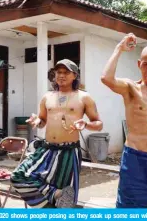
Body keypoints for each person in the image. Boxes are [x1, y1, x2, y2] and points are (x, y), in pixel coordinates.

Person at [11, 59, 103, 208]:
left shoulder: (84, 97)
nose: (61, 75)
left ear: (75, 75)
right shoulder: (47, 97)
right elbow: (42, 121)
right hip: (46, 150)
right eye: (58, 72)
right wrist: (37, 121)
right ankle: (54, 193)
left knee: (64, 201)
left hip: (68, 152)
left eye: (66, 72)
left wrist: (86, 124)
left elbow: (98, 124)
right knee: (19, 176)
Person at [101, 33, 147, 208]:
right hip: (136, 159)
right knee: (130, 211)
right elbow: (106, 78)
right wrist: (119, 48)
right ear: (139, 64)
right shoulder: (131, 88)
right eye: (146, 65)